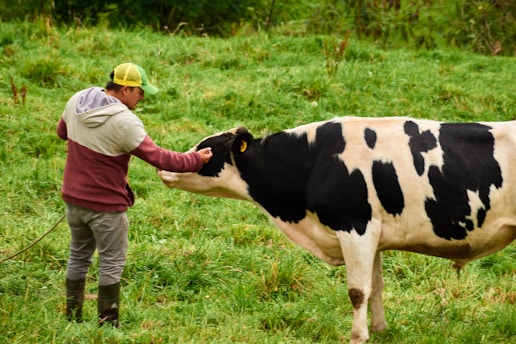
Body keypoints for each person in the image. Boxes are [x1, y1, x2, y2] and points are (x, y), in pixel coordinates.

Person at [56, 62, 212, 327]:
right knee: (111, 262)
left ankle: (73, 317)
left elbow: (62, 132)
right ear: (126, 89)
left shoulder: (78, 99)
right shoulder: (124, 121)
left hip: (73, 199)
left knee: (78, 256)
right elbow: (160, 158)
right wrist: (196, 160)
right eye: (140, 92)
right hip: (106, 206)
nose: (142, 97)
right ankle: (108, 322)